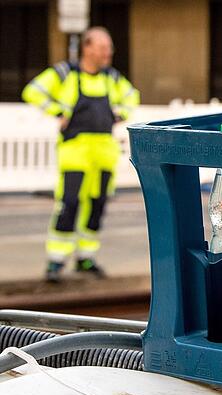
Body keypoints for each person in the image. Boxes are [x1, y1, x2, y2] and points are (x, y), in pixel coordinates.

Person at [22, 27, 139, 283]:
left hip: (104, 153)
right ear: (87, 47)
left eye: (109, 48)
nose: (109, 53)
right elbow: (32, 91)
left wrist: (121, 114)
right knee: (70, 204)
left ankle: (86, 257)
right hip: (74, 153)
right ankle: (56, 260)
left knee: (97, 206)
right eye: (103, 48)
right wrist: (55, 111)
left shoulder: (112, 78)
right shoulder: (65, 73)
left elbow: (132, 96)